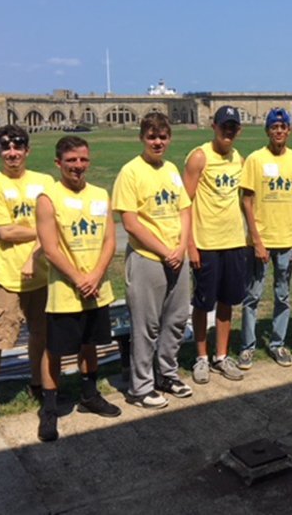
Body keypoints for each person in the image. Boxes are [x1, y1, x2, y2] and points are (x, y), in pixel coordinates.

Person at [36, 136, 120, 442]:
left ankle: (89, 393)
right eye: (71, 160)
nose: (78, 166)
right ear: (58, 163)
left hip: (97, 287)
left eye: (83, 159)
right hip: (65, 291)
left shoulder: (100, 194)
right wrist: (78, 278)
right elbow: (50, 248)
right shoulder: (48, 197)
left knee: (90, 344)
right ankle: (49, 406)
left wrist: (96, 274)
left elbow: (110, 240)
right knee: (56, 350)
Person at [112, 112, 193, 409]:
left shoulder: (171, 169)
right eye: (152, 137)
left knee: (176, 320)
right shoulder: (131, 171)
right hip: (148, 258)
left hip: (177, 254)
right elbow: (130, 223)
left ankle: (167, 374)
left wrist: (181, 246)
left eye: (162, 137)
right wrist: (164, 251)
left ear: (169, 138)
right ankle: (140, 386)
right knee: (146, 325)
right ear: (142, 138)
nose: (157, 142)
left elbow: (184, 209)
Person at [0, 125, 53, 419]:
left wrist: (42, 238)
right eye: (6, 147)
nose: (12, 152)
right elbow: (5, 231)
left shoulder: (44, 181)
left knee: (41, 335)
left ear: (27, 150)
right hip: (6, 276)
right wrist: (42, 231)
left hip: (42, 274)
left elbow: (56, 220)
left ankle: (38, 382)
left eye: (18, 146)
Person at [238, 108, 292, 370]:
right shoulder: (255, 159)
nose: (279, 131)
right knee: (252, 295)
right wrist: (256, 240)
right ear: (267, 130)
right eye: (274, 127)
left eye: (283, 127)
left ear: (289, 130)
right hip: (261, 241)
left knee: (283, 295)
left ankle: (278, 343)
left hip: (286, 241)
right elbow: (247, 200)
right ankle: (247, 347)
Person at [183, 106, 248, 383]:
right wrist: (191, 245)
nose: (228, 131)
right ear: (214, 126)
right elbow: (184, 202)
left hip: (234, 241)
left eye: (233, 127)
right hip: (206, 243)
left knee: (227, 302)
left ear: (238, 130)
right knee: (203, 303)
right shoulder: (199, 157)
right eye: (224, 126)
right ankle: (201, 357)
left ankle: (221, 356)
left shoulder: (239, 159)